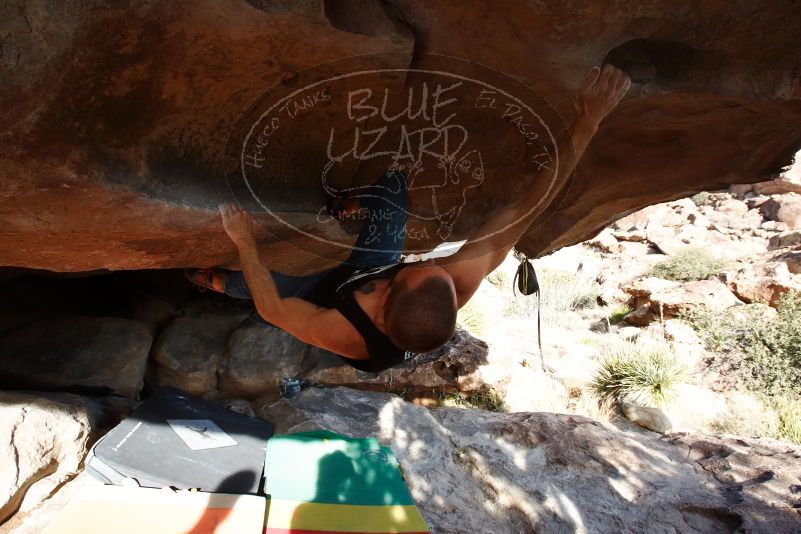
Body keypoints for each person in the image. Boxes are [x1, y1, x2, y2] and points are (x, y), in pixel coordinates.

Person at [190, 65, 631, 373]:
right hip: (365, 275)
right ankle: (349, 206)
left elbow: (274, 309)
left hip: (328, 295)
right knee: (393, 190)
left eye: (409, 272)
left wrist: (245, 241)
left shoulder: (343, 332)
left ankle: (213, 282)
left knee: (258, 285)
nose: (417, 261)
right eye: (423, 265)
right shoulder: (450, 285)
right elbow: (527, 207)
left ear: (381, 301)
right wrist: (587, 123)